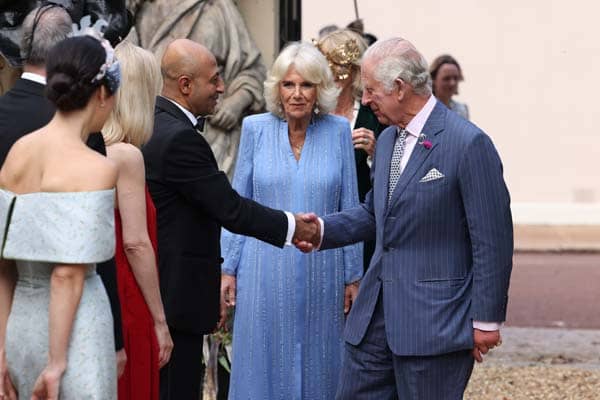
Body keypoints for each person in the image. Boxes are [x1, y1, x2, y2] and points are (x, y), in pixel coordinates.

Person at [297, 37, 513, 399]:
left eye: (369, 90)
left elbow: (492, 239)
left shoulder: (468, 144)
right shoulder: (387, 141)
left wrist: (486, 321)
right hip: (372, 322)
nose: (364, 100)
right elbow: (374, 213)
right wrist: (319, 230)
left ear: (398, 88)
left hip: (436, 327)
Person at [142, 38, 318, 400]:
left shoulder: (155, 123)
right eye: (215, 79)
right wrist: (293, 227)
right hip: (178, 298)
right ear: (186, 85)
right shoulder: (179, 139)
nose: (223, 87)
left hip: (165, 293)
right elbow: (230, 208)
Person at [220, 42, 363, 400]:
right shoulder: (254, 129)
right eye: (289, 84)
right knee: (262, 359)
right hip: (262, 267)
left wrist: (352, 274)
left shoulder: (338, 132)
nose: (297, 94)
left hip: (323, 267)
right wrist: (228, 268)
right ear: (277, 89)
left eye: (307, 85)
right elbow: (239, 205)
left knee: (321, 358)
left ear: (320, 90)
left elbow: (350, 206)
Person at [0, 4, 127, 376]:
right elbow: (77, 269)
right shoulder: (90, 154)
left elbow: (4, 261)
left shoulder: (19, 153)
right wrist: (112, 339)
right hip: (76, 321)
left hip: (19, 315)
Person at [102, 40, 173, 400]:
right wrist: (160, 320)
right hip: (129, 298)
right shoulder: (126, 156)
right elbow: (135, 242)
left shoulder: (91, 146)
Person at [132, 0, 267, 177]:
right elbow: (130, 71)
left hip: (216, 131)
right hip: (155, 126)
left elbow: (253, 68)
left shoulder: (219, 7)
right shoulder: (142, 9)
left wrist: (238, 100)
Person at [316, 28, 386, 272]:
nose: (330, 76)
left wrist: (375, 155)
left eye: (337, 68)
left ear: (354, 71)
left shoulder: (375, 115)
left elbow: (394, 177)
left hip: (362, 231)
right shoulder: (309, 116)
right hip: (316, 225)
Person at [430, 54, 469, 119]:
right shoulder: (424, 109)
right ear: (433, 80)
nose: (452, 83)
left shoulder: (462, 110)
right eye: (446, 78)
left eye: (455, 78)